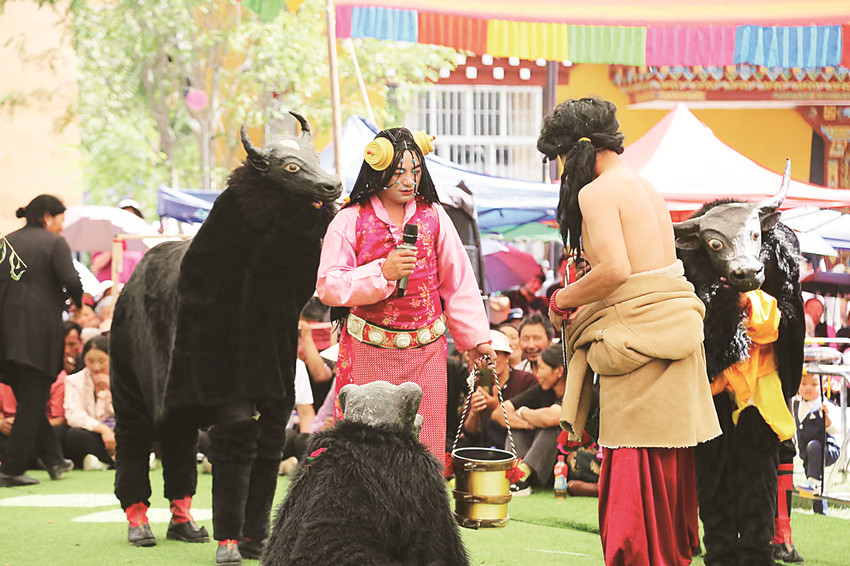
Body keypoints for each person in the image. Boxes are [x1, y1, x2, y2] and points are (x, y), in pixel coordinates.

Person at [540, 97, 720, 565]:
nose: (562, 170)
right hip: (676, 338)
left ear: (577, 150)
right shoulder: (645, 187)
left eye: (560, 158)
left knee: (633, 492)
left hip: (637, 345)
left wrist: (562, 299)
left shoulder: (597, 193)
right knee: (666, 477)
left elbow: (617, 270)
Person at [316, 127, 494, 458]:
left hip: (427, 352)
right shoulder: (350, 218)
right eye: (399, 172)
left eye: (416, 171)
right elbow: (328, 284)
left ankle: (423, 495)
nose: (409, 181)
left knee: (425, 445)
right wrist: (382, 273)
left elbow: (458, 282)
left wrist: (475, 340)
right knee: (367, 447)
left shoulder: (435, 216)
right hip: (368, 350)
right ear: (378, 170)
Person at [0, 195, 80, 487]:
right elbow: (72, 280)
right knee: (32, 399)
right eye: (60, 220)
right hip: (37, 336)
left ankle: (55, 460)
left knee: (29, 399)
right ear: (47, 217)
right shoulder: (53, 243)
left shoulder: (6, 242)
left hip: (5, 337)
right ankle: (11, 469)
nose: (61, 226)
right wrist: (78, 303)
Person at [491, 344, 567, 496]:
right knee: (516, 427)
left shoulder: (577, 392)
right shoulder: (541, 389)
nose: (537, 374)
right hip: (539, 461)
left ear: (559, 371)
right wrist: (526, 424)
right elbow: (499, 413)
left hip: (566, 462)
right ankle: (517, 474)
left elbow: (553, 418)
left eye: (541, 368)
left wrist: (522, 411)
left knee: (551, 429)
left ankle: (522, 474)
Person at [462, 330, 537, 450]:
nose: (490, 360)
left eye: (495, 354)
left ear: (507, 357)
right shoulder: (479, 383)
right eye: (485, 356)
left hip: (515, 449)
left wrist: (496, 407)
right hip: (484, 451)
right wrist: (474, 413)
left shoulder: (526, 381)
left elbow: (530, 425)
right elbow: (470, 433)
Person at [63, 335, 116, 471]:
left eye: (102, 361)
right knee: (73, 436)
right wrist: (103, 430)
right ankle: (114, 461)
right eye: (90, 361)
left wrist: (108, 391)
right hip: (93, 433)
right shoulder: (73, 381)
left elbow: (128, 412)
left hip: (119, 431)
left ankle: (103, 462)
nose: (96, 367)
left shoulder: (122, 379)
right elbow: (74, 415)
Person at [793, 371, 841, 515]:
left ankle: (813, 485)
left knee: (813, 448)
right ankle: (820, 512)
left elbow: (834, 429)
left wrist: (827, 418)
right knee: (814, 478)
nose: (808, 388)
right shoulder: (796, 404)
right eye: (804, 384)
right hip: (809, 454)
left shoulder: (824, 405)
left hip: (827, 449)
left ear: (823, 387)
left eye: (814, 384)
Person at [89, 198, 147, 284]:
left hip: (133, 288)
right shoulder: (107, 238)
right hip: (110, 289)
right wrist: (112, 249)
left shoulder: (143, 241)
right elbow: (96, 265)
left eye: (132, 216)